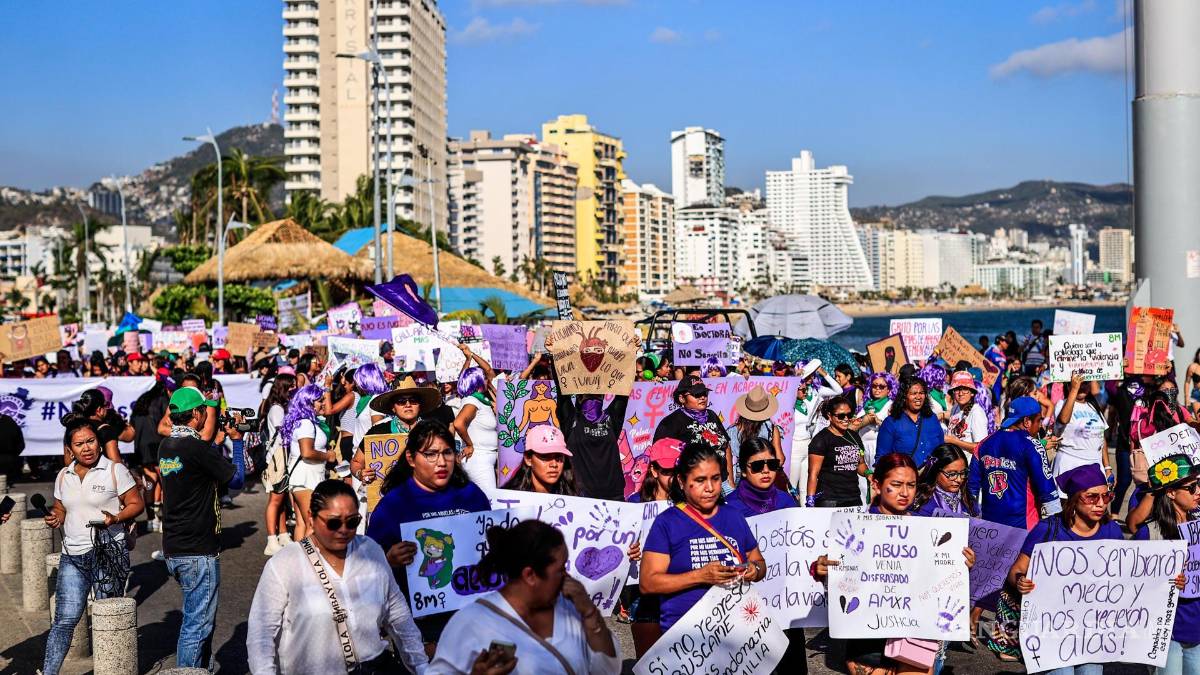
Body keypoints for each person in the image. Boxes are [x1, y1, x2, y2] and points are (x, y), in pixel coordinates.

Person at [813, 452, 976, 675]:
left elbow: (938, 579)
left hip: (915, 635)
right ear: (877, 484)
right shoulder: (855, 528)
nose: (905, 492)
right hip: (869, 639)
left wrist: (960, 565)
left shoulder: (926, 528)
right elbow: (840, 577)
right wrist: (822, 569)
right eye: (897, 484)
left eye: (911, 485)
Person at [247, 480, 428, 674]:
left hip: (376, 667)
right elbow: (261, 633)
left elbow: (398, 615)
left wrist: (422, 667)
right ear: (311, 518)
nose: (343, 530)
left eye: (352, 522)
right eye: (333, 522)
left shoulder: (371, 551)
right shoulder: (285, 563)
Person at [428, 520, 621, 675]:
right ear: (530, 576)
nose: (567, 577)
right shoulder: (471, 623)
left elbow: (608, 670)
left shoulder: (570, 609)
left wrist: (590, 613)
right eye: (560, 570)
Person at [366, 421, 491, 651]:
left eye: (447, 452)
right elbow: (365, 568)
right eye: (431, 454)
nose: (441, 462)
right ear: (412, 459)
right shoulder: (392, 505)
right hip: (419, 626)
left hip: (470, 615)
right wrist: (389, 559)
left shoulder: (471, 495)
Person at [42, 415, 144, 675]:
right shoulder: (64, 475)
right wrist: (56, 517)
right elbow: (61, 507)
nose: (86, 448)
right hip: (72, 556)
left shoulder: (114, 469)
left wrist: (116, 518)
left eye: (90, 441)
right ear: (69, 449)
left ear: (99, 443)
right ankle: (49, 672)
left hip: (108, 553)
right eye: (79, 444)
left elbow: (136, 503)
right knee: (64, 620)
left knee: (107, 618)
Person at [1004, 463, 1125, 670]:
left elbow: (1128, 577)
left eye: (1106, 496)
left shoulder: (1112, 530)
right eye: (1092, 497)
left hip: (1093, 633)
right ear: (1074, 498)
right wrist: (1020, 582)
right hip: (1053, 631)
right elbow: (1016, 571)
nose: (1101, 504)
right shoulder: (1048, 529)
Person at [639, 443, 766, 633]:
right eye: (700, 480)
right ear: (681, 481)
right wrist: (700, 576)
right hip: (686, 638)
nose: (709, 488)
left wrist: (754, 570)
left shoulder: (734, 517)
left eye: (715, 479)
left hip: (736, 633)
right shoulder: (667, 523)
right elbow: (648, 583)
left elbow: (758, 561)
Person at [157, 386, 236, 670]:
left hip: (174, 547)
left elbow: (199, 472)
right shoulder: (196, 448)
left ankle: (200, 669)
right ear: (197, 414)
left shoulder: (167, 445)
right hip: (198, 550)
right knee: (196, 626)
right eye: (204, 409)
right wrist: (237, 443)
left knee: (200, 620)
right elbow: (235, 480)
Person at [1134, 454, 1198, 675]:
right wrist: (1165, 580)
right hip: (1164, 631)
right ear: (1170, 492)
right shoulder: (1149, 533)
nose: (1198, 491)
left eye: (1199, 484)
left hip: (1196, 626)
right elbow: (1132, 584)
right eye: (1191, 487)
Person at [972, 396, 1061, 530]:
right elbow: (1047, 488)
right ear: (1026, 421)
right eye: (1038, 420)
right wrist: (1055, 527)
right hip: (1023, 527)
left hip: (989, 529)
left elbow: (971, 489)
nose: (1040, 425)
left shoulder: (983, 444)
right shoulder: (1033, 445)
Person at [352, 376, 441, 485]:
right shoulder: (378, 431)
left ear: (419, 405)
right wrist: (360, 473)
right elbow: (356, 462)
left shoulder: (433, 430)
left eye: (413, 400)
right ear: (393, 407)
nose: (408, 405)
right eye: (401, 401)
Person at [282, 384, 335, 542]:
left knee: (301, 524)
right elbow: (307, 453)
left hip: (303, 478)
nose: (324, 404)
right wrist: (328, 456)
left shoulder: (306, 422)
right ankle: (308, 562)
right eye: (320, 401)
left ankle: (299, 562)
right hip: (306, 479)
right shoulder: (306, 424)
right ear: (309, 403)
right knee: (312, 525)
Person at [557, 390, 629, 501]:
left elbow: (623, 392)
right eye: (586, 389)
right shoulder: (571, 419)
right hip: (580, 497)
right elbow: (562, 392)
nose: (592, 391)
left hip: (613, 497)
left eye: (598, 390)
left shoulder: (610, 419)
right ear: (579, 397)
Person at [652, 374, 731, 472]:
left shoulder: (712, 415)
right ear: (682, 398)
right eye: (696, 394)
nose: (702, 397)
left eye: (704, 393)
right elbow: (659, 456)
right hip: (691, 484)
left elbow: (726, 446)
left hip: (721, 481)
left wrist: (729, 481)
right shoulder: (671, 422)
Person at [259, 373, 297, 556]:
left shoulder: (280, 407)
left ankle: (282, 534)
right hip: (277, 457)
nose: (294, 389)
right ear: (283, 388)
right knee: (275, 499)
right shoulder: (277, 409)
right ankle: (271, 539)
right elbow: (285, 431)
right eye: (291, 387)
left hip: (281, 455)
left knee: (281, 498)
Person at [807, 395, 868, 508]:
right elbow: (813, 474)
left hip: (853, 497)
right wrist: (810, 500)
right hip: (829, 499)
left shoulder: (854, 436)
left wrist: (869, 474)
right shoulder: (821, 440)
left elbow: (860, 464)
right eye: (841, 416)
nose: (846, 419)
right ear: (830, 416)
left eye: (849, 415)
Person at [452, 366, 500, 497]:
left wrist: (490, 386)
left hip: (486, 459)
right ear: (477, 380)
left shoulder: (481, 401)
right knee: (490, 500)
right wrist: (469, 444)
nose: (487, 380)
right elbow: (458, 423)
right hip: (478, 460)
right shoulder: (472, 401)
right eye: (484, 378)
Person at [1051, 373, 1109, 479]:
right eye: (1079, 383)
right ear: (1069, 385)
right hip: (1069, 465)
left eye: (1085, 383)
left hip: (1094, 466)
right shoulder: (1061, 404)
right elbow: (1063, 420)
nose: (1081, 387)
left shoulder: (1094, 406)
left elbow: (1101, 438)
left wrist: (1107, 468)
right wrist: (1074, 389)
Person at [876, 377, 943, 466]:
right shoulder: (891, 423)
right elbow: (882, 458)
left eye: (921, 393)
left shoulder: (932, 419)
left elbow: (942, 449)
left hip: (931, 478)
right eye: (913, 393)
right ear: (904, 397)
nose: (918, 397)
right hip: (905, 478)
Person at [725, 386, 783, 489]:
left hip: (742, 474)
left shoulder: (730, 431)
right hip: (765, 476)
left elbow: (728, 462)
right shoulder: (771, 428)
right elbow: (780, 459)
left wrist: (731, 484)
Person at [131, 378, 169, 533]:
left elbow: (132, 422)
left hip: (141, 445)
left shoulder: (143, 399)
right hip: (157, 444)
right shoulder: (164, 400)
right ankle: (164, 521)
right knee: (166, 481)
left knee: (150, 481)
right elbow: (167, 423)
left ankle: (151, 519)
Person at [726, 437, 797, 516]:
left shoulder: (786, 502)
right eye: (757, 466)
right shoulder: (729, 507)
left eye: (772, 464)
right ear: (743, 470)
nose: (766, 470)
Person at [506, 425, 579, 495]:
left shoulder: (575, 498)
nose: (554, 464)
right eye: (545, 457)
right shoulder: (509, 498)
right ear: (528, 459)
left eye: (558, 457)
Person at [912, 444, 977, 517]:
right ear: (936, 471)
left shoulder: (968, 501)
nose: (959, 479)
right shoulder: (921, 500)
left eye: (963, 473)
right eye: (952, 474)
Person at [945, 371, 989, 454]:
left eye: (965, 389)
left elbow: (981, 447)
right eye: (957, 390)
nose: (961, 393)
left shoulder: (976, 412)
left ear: (972, 393)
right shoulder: (955, 408)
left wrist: (954, 441)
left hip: (968, 465)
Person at [1186, 349, 1200, 416]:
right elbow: (1187, 382)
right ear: (1197, 355)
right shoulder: (1193, 367)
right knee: (1198, 418)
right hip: (1196, 394)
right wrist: (1186, 397)